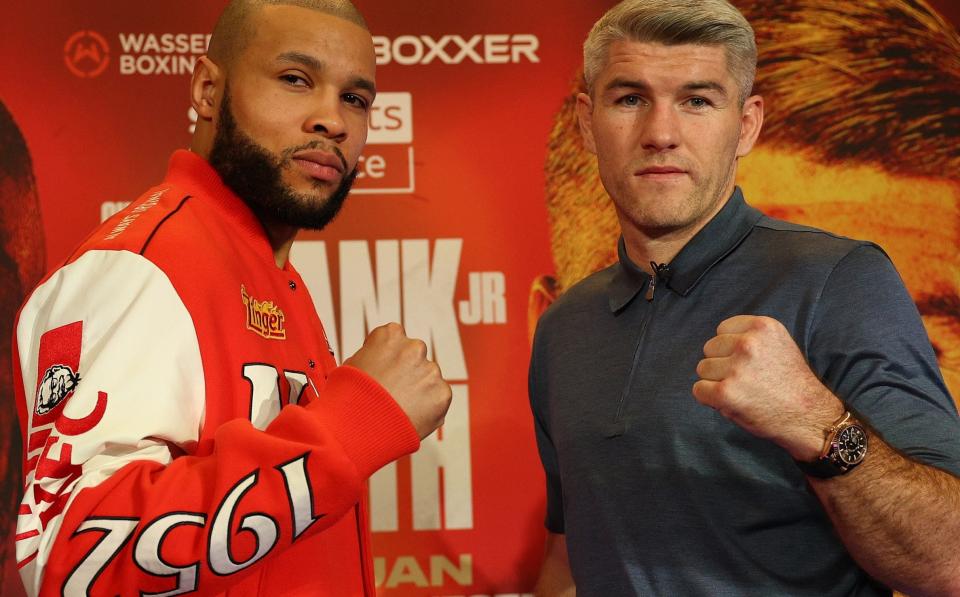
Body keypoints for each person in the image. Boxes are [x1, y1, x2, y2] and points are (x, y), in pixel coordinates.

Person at [12, 1, 452, 595]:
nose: (334, 120)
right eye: (296, 80)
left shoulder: (261, 267)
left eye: (356, 98)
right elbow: (70, 555)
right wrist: (348, 428)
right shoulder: (142, 267)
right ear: (207, 90)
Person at [528, 0, 960, 595]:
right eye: (630, 99)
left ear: (748, 124)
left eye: (697, 100)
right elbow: (571, 557)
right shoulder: (564, 328)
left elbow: (950, 561)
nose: (660, 133)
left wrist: (818, 423)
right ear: (587, 122)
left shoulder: (841, 278)